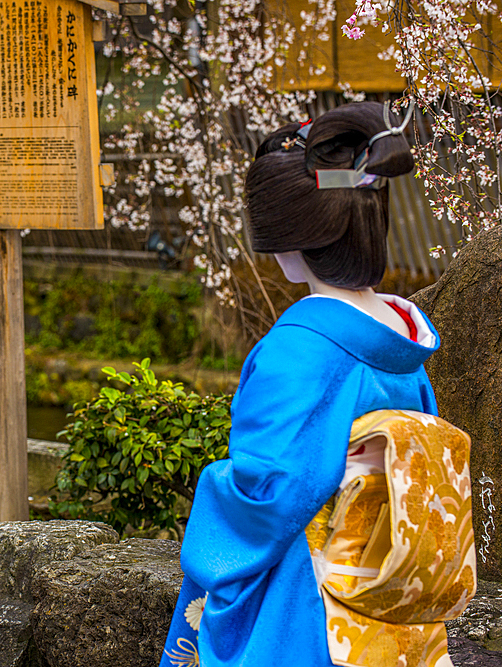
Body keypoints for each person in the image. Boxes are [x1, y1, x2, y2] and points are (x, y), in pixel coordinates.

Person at [159, 102, 453, 667]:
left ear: (289, 235)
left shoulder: (298, 348)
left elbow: (264, 492)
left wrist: (213, 492)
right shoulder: (401, 333)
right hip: (384, 591)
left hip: (303, 601)